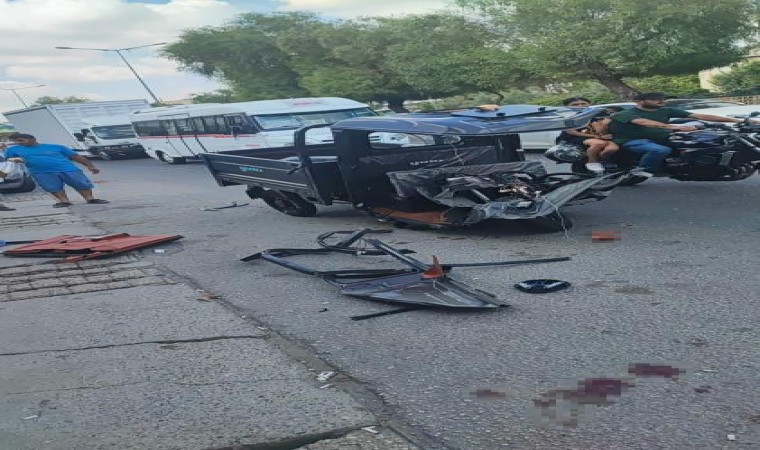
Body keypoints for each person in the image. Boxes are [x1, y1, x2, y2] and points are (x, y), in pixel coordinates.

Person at [610, 92, 758, 173]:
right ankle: (646, 171)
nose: (661, 101)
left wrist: (739, 121)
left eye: (663, 99)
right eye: (656, 99)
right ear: (640, 101)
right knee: (660, 150)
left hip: (663, 137)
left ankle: (695, 167)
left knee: (696, 144)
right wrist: (674, 127)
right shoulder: (625, 113)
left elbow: (700, 116)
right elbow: (644, 122)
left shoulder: (666, 110)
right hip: (632, 140)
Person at [4, 133, 109, 208]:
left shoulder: (56, 147)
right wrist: (15, 160)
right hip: (40, 172)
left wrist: (90, 166)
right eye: (16, 141)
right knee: (53, 187)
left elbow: (75, 156)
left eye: (21, 140)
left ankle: (90, 199)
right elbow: (8, 159)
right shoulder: (13, 149)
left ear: (33, 139)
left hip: (67, 169)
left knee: (81, 183)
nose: (19, 143)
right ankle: (64, 201)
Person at [556, 98, 622, 173]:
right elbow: (572, 132)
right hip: (575, 137)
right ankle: (592, 162)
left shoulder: (597, 115)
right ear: (567, 106)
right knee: (599, 143)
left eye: (583, 103)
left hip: (596, 137)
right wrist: (595, 136)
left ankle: (602, 161)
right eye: (575, 104)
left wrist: (605, 125)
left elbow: (601, 131)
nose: (580, 106)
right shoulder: (566, 117)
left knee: (612, 148)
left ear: (589, 104)